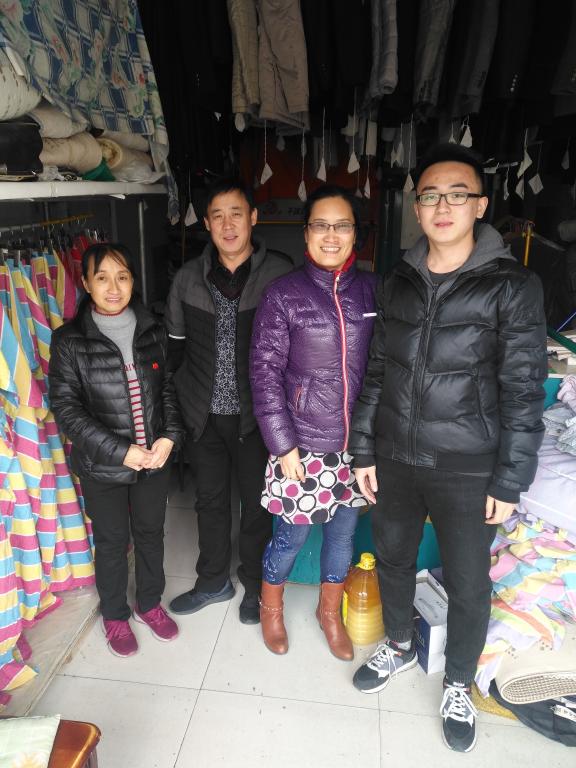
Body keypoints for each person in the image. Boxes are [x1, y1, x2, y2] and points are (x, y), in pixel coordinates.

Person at [348, 143, 548, 752]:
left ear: (480, 205)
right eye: (430, 195)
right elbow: (377, 372)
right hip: (395, 455)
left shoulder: (513, 285)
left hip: (467, 464)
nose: (442, 206)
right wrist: (363, 450)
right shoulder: (399, 280)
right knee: (393, 558)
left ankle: (458, 680)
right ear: (416, 207)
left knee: (467, 581)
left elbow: (523, 390)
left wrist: (510, 479)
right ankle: (398, 644)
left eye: (457, 195)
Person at [250, 185, 379, 659]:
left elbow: (384, 367)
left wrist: (372, 440)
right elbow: (264, 372)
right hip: (302, 445)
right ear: (306, 234)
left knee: (343, 536)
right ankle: (271, 608)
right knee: (292, 536)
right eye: (321, 225)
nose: (331, 235)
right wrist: (282, 444)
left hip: (357, 448)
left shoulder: (373, 290)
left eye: (341, 225)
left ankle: (329, 614)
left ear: (355, 234)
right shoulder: (283, 294)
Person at [165, 178, 292, 624]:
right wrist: (178, 409)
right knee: (210, 501)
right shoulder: (186, 279)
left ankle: (254, 586)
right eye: (217, 216)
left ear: (253, 218)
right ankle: (212, 581)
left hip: (257, 416)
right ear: (206, 224)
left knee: (256, 505)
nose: (227, 224)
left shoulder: (279, 274)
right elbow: (174, 352)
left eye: (236, 213)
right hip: (203, 415)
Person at [49, 243, 184, 658]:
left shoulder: (152, 329)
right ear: (86, 283)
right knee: (111, 541)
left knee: (150, 534)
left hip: (154, 461)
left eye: (122, 277)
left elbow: (166, 388)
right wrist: (122, 451)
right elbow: (66, 409)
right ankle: (114, 615)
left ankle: (149, 604)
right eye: (102, 278)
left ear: (132, 282)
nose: (113, 287)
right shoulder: (69, 341)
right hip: (103, 466)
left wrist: (169, 437)